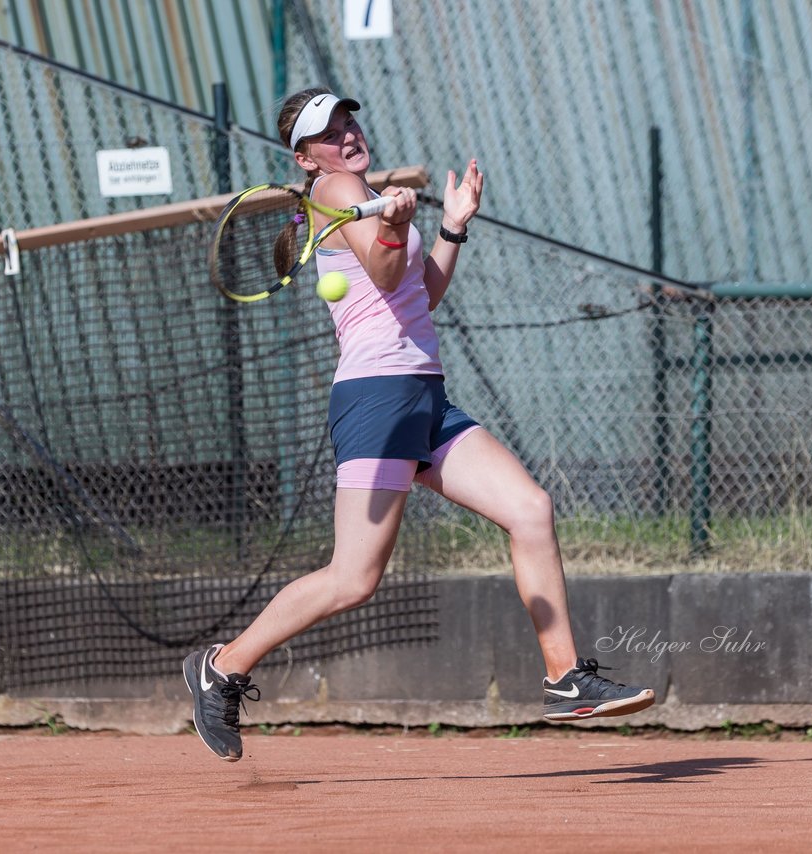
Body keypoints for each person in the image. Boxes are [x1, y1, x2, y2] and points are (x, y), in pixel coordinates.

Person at [183, 88, 654, 762]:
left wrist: (452, 225)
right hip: (376, 399)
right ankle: (221, 666)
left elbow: (418, 293)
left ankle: (565, 679)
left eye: (349, 122)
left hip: (423, 395)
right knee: (353, 578)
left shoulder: (359, 190)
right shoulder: (337, 187)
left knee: (529, 510)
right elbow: (380, 263)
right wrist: (396, 224)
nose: (347, 136)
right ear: (305, 158)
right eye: (330, 131)